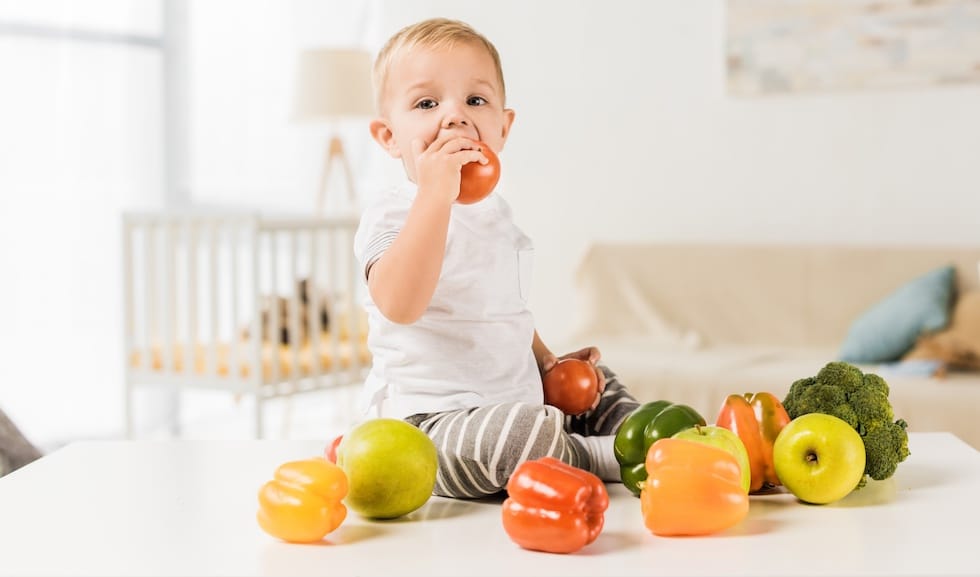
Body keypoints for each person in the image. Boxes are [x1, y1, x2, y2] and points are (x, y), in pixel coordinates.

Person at [353, 17, 640, 499]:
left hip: (514, 401)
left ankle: (644, 433)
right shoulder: (394, 211)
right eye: (427, 103)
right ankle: (595, 456)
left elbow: (503, 310)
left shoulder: (496, 214)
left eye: (476, 100)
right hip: (430, 425)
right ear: (388, 137)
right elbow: (399, 305)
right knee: (519, 436)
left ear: (502, 129)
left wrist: (548, 362)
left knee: (598, 382)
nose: (454, 116)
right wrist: (434, 198)